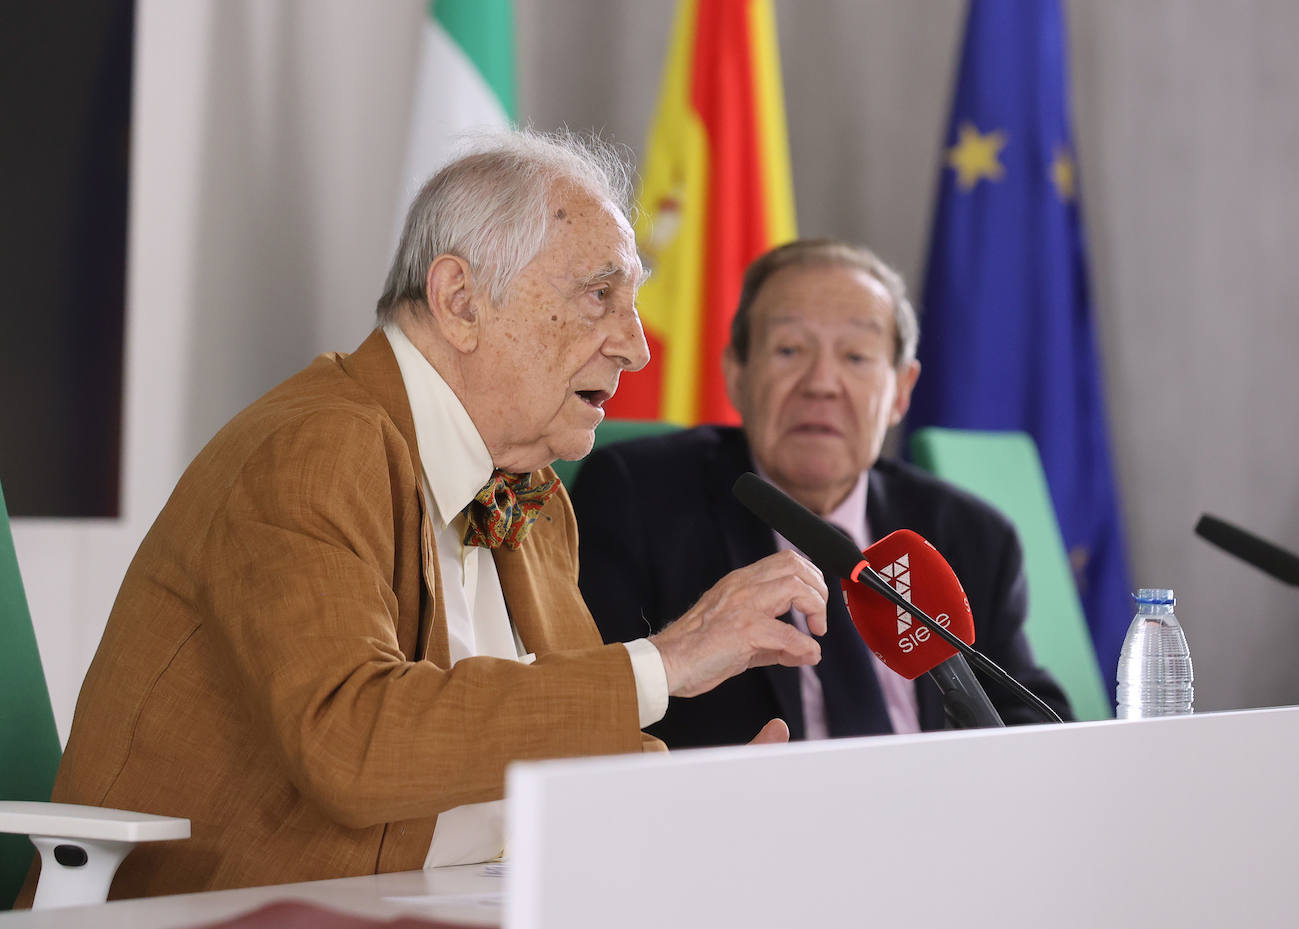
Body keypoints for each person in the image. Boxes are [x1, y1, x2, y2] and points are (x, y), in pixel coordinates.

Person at [21, 131, 829, 902]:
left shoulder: (534, 493)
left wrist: (691, 804)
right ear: (459, 300)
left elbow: (567, 739)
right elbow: (352, 741)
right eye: (598, 295)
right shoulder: (312, 447)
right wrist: (666, 659)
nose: (636, 345)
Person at [574, 239, 1072, 748]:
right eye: (790, 350)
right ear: (737, 375)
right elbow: (593, 704)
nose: (822, 383)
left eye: (856, 356)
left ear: (901, 390)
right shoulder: (641, 499)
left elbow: (1033, 723)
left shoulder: (969, 534)